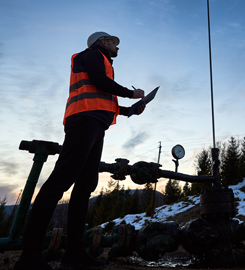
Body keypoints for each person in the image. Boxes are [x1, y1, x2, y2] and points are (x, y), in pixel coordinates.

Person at [14, 31, 146, 270]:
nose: (118, 47)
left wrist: (130, 109)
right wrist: (131, 92)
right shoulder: (93, 54)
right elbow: (98, 82)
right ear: (103, 42)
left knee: (85, 185)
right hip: (84, 121)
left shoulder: (101, 62)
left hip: (94, 123)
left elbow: (102, 96)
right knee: (60, 181)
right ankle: (30, 257)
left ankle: (74, 253)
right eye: (114, 43)